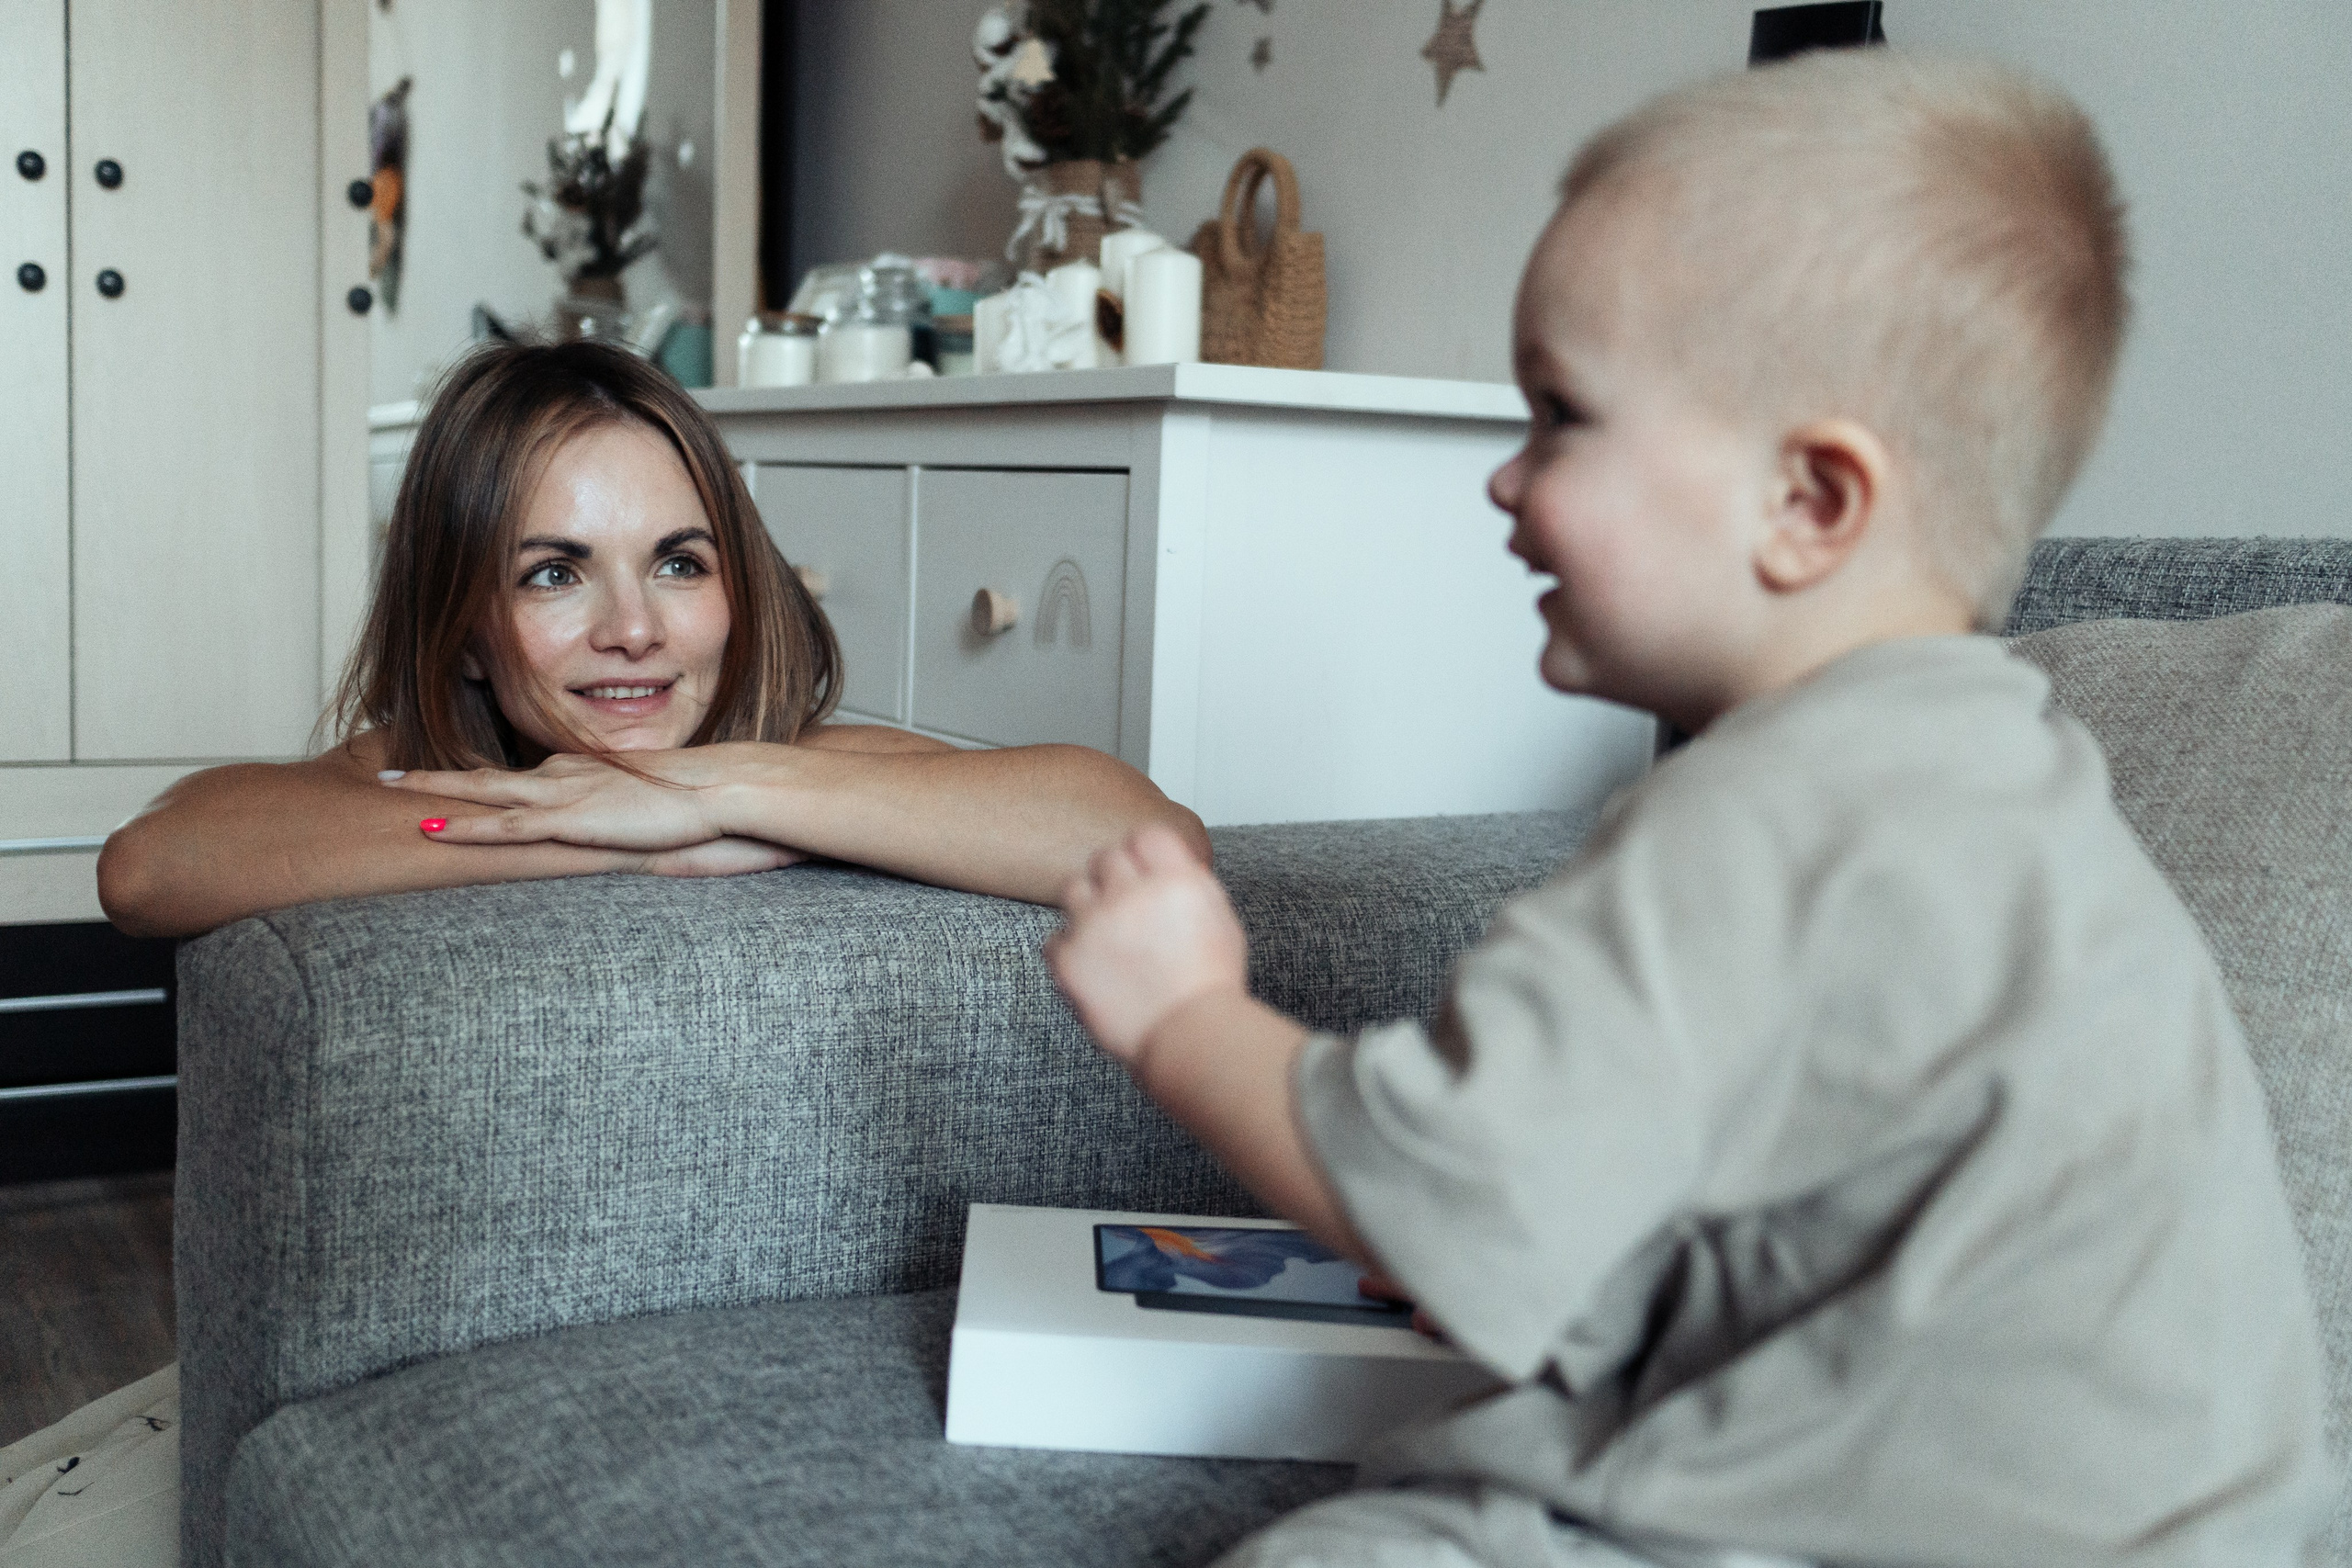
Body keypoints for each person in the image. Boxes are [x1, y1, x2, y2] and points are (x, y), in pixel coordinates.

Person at [1047, 51, 2332, 1568]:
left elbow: (1450, 1201)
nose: (1503, 484)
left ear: (1811, 505)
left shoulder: (1765, 817)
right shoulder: (2008, 764)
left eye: (1557, 416)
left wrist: (1185, 1014)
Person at [98, 338, 1205, 940]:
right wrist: (613, 831)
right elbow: (149, 866)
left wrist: (712, 789)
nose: (633, 629)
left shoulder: (801, 767)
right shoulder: (410, 780)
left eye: (680, 563)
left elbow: (1150, 840)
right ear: (467, 633)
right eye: (553, 573)